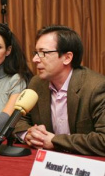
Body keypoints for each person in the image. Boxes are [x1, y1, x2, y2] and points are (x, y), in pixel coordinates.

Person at [14, 25, 105, 156]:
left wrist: (55, 141)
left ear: (67, 57)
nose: (35, 59)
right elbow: (18, 119)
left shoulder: (96, 87)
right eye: (36, 53)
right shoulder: (37, 83)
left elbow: (103, 140)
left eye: (43, 53)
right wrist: (29, 134)